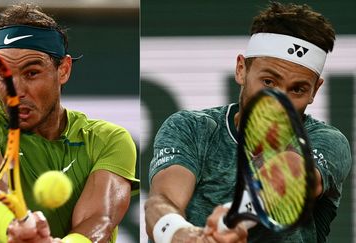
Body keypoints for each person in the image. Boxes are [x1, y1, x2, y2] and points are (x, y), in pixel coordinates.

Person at [144, 2, 352, 243]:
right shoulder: (191, 128)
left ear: (315, 90)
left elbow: (293, 175)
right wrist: (180, 233)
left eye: (297, 89)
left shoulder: (328, 141)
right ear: (241, 69)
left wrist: (232, 220)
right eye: (269, 82)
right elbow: (162, 200)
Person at [0, 3, 138, 243]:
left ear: (63, 70)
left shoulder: (108, 140)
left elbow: (100, 219)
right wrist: (13, 226)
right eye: (2, 73)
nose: (15, 91)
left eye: (31, 73)